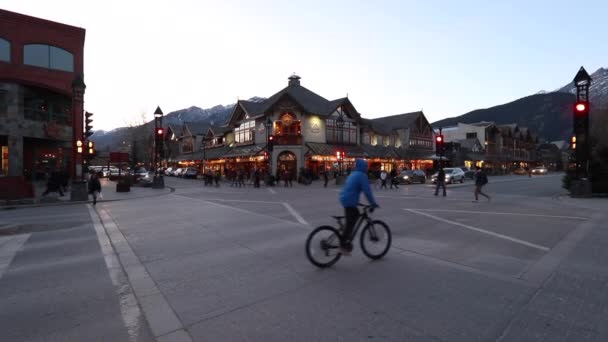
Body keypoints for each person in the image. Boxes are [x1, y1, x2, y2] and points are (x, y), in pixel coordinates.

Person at [338, 159, 379, 256]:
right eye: (366, 166)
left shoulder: (353, 173)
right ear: (364, 167)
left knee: (353, 217)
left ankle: (344, 236)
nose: (366, 168)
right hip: (350, 201)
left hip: (344, 198)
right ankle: (342, 246)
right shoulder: (362, 176)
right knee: (351, 223)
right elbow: (367, 192)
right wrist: (373, 203)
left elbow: (351, 188)